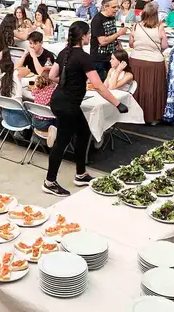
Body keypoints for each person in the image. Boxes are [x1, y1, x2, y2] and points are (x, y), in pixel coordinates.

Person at [45, 21, 128, 196]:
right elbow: (98, 85)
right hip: (68, 105)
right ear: (83, 36)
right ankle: (49, 182)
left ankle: (81, 173)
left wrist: (67, 84)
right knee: (61, 142)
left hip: (58, 100)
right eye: (88, 34)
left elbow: (52, 75)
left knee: (83, 132)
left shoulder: (63, 53)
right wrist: (117, 103)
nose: (90, 36)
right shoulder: (83, 57)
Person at [129, 2, 168, 124]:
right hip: (155, 62)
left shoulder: (136, 26)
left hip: (137, 61)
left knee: (136, 89)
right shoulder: (160, 27)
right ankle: (152, 117)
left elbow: (131, 43)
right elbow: (164, 45)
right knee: (153, 90)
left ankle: (135, 115)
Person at [90, 0, 126, 81]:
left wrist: (117, 42)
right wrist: (118, 34)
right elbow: (102, 41)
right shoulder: (98, 19)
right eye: (114, 7)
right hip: (99, 59)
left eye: (117, 7)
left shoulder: (112, 18)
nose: (116, 9)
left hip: (111, 58)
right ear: (106, 7)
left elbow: (110, 34)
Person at [0, 50, 29, 131]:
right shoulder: (16, 75)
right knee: (35, 112)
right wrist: (14, 69)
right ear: (12, 68)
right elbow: (28, 70)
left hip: (5, 117)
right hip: (20, 120)